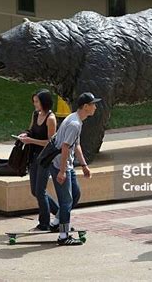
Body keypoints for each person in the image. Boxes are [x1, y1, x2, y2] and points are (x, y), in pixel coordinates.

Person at [50, 92, 98, 245]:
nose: (95, 107)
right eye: (93, 104)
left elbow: (76, 144)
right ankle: (63, 236)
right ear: (85, 106)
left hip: (67, 165)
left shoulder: (76, 119)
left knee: (75, 195)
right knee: (66, 202)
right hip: (60, 165)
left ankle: (57, 221)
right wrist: (62, 171)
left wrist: (84, 165)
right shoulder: (74, 124)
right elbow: (65, 147)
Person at [19, 90, 58, 230]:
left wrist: (31, 140)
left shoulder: (50, 118)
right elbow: (31, 130)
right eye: (34, 101)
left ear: (44, 102)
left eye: (37, 101)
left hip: (45, 158)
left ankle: (44, 223)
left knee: (40, 190)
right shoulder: (35, 114)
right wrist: (25, 134)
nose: (35, 104)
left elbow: (50, 142)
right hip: (33, 156)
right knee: (35, 191)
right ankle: (59, 213)